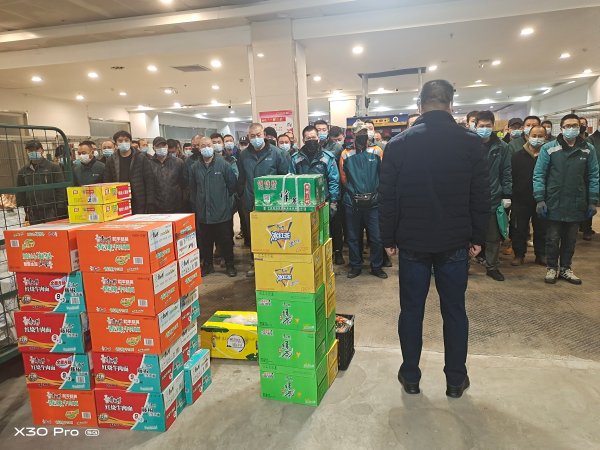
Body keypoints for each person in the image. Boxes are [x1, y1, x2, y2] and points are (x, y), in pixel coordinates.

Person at [379, 79, 490, 399]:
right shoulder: (471, 143)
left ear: (420, 104)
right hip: (455, 241)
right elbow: (481, 196)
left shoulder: (398, 144)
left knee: (411, 311)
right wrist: (478, 237)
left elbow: (387, 197)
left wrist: (388, 238)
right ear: (451, 104)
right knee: (454, 311)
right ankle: (455, 380)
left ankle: (410, 376)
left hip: (412, 241)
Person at [534, 113, 599, 285]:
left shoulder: (588, 149)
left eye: (574, 126)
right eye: (568, 126)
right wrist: (540, 198)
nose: (571, 129)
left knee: (570, 239)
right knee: (552, 238)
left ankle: (565, 268)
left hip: (576, 201)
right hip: (554, 201)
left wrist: (593, 200)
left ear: (580, 128)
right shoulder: (549, 148)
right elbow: (539, 174)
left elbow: (594, 175)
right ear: (561, 128)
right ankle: (551, 268)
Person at [237, 123, 289, 276]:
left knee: (273, 234)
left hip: (273, 203)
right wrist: (242, 195)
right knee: (254, 235)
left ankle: (276, 263)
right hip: (250, 201)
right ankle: (256, 263)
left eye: (258, 135)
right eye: (252, 136)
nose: (256, 138)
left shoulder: (277, 153)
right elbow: (241, 178)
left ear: (264, 135)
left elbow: (285, 179)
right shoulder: (243, 155)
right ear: (248, 137)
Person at [339, 120, 387, 279]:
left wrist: (377, 193)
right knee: (353, 238)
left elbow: (383, 174)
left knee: (377, 237)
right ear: (353, 134)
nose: (362, 135)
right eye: (359, 133)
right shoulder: (346, 153)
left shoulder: (377, 151)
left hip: (374, 203)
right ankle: (355, 266)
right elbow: (343, 178)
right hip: (352, 203)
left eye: (365, 132)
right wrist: (353, 192)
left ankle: (377, 266)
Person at [190, 136, 238, 277]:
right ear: (199, 149)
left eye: (209, 145)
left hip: (222, 212)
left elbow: (232, 185)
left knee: (226, 241)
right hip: (204, 213)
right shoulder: (194, 167)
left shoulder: (223, 164)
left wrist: (224, 203)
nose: (206, 148)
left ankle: (230, 265)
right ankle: (208, 265)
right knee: (206, 242)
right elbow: (192, 189)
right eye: (203, 146)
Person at [474, 111, 512, 281]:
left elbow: (506, 171)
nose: (484, 129)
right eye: (481, 126)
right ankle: (463, 264)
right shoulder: (469, 145)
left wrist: (507, 194)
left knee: (493, 236)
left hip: (493, 196)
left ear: (493, 126)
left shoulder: (502, 147)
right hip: (471, 197)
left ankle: (492, 267)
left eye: (488, 126)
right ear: (475, 126)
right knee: (467, 235)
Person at [510, 125, 547, 266]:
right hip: (521, 199)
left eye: (540, 136)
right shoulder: (517, 156)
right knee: (519, 229)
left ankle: (541, 254)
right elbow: (511, 177)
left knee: (541, 229)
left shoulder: (547, 156)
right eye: (534, 135)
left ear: (545, 137)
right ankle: (519, 255)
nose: (537, 138)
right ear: (527, 136)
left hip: (542, 200)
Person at [290, 125, 340, 225]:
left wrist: (333, 201)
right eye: (308, 138)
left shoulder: (327, 157)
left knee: (322, 229)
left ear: (318, 138)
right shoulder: (295, 158)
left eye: (313, 137)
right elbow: (291, 180)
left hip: (323, 202)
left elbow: (334, 180)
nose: (311, 140)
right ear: (303, 140)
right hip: (302, 203)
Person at [103, 130, 155, 214]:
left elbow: (149, 180)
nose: (124, 143)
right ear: (116, 144)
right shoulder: (111, 160)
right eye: (120, 141)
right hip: (119, 199)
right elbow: (107, 181)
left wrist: (150, 201)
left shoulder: (141, 158)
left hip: (139, 199)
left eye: (126, 140)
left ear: (130, 142)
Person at [16, 140, 68, 224]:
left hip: (51, 210)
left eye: (36, 149)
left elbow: (61, 189)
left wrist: (60, 208)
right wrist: (23, 210)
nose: (33, 152)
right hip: (33, 212)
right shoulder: (23, 171)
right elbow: (20, 192)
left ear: (42, 150)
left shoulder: (53, 167)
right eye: (30, 150)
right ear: (26, 152)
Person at [323, 126, 347, 265]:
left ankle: (338, 252)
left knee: (336, 224)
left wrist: (334, 197)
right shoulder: (314, 149)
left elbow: (335, 176)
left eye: (323, 129)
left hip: (334, 192)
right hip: (317, 194)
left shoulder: (337, 148)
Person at [149, 137, 185, 214]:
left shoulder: (178, 162)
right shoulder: (149, 164)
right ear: (153, 148)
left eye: (164, 146)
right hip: (157, 206)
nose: (161, 148)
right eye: (158, 146)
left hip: (176, 205)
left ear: (167, 146)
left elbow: (183, 184)